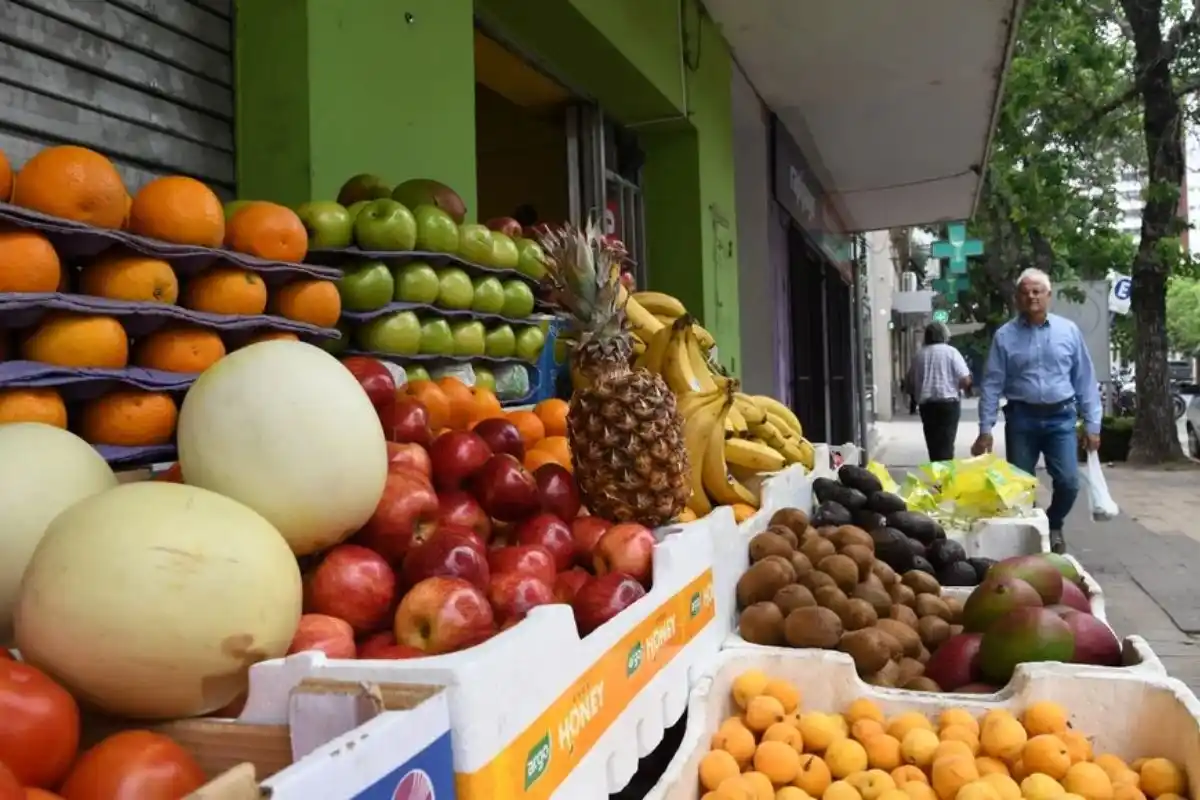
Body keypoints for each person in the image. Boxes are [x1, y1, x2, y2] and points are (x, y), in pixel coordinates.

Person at [972, 268, 1101, 554]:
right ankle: (1030, 538)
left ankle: (1053, 523)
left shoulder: (1068, 331)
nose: (1031, 297)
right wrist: (985, 429)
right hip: (1022, 419)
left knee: (1069, 482)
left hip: (1061, 418)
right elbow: (992, 383)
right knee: (1019, 487)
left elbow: (1085, 380)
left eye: (1037, 291)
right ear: (1017, 298)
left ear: (1048, 296)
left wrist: (1093, 425)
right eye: (1025, 292)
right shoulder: (1005, 336)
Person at [907, 321, 972, 462]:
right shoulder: (952, 352)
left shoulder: (919, 355)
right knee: (947, 443)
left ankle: (937, 475)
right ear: (945, 334)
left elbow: (910, 383)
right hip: (948, 404)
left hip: (927, 406)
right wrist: (954, 387)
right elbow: (965, 380)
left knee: (933, 445)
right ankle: (945, 478)